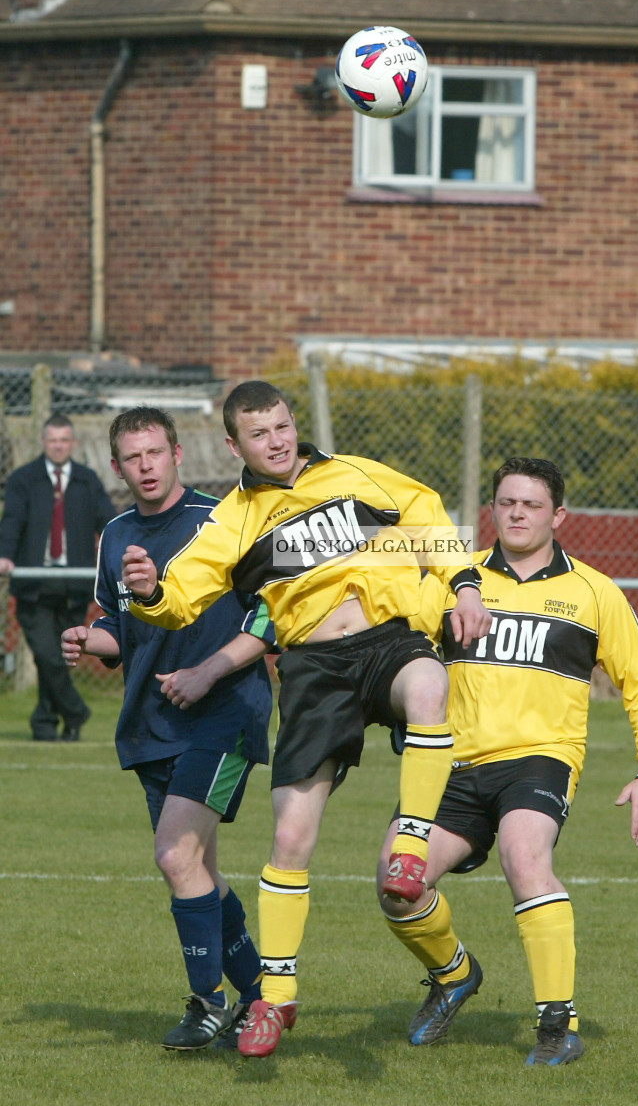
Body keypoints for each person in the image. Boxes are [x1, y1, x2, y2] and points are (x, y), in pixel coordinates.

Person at [121, 380, 491, 1058]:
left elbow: (429, 514)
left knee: (429, 684)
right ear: (234, 445)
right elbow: (179, 595)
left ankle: (411, 847)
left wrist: (464, 581)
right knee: (290, 833)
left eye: (283, 426)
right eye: (260, 435)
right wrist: (147, 593)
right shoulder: (234, 518)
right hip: (314, 671)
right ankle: (277, 997)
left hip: (387, 641)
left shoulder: (356, 475)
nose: (278, 440)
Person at [378, 456, 638, 1066]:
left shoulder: (593, 592)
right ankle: (454, 974)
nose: (516, 513)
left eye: (532, 504)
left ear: (558, 515)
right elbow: (397, 655)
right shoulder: (455, 586)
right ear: (492, 509)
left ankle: (556, 1027)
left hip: (540, 759)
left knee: (524, 855)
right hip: (453, 765)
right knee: (396, 885)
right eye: (506, 502)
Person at [61, 406, 275, 1051]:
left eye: (156, 451)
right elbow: (123, 635)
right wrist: (88, 639)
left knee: (174, 855)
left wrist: (208, 672)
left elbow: (269, 618)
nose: (146, 465)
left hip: (224, 713)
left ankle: (209, 1003)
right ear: (117, 466)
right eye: (133, 456)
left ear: (178, 453)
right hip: (151, 723)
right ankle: (260, 1000)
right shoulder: (115, 535)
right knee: (197, 868)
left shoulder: (223, 521)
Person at [0, 412, 116, 741]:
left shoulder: (86, 480)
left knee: (61, 657)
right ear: (43, 442)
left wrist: (124, 550)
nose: (59, 446)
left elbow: (109, 522)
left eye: (65, 440)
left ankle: (45, 723)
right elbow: (12, 521)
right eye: (53, 440)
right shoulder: (24, 479)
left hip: (74, 585)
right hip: (34, 584)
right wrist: (5, 554)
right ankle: (76, 710)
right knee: (46, 653)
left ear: (73, 443)